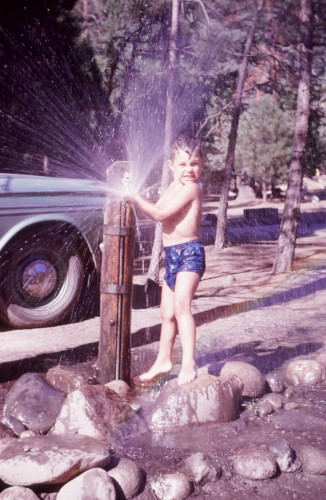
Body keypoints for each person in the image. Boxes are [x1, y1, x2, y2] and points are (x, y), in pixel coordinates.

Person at [125, 135, 205, 385]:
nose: (189, 170)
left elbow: (159, 214)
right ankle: (163, 359)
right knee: (166, 313)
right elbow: (156, 207)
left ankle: (189, 363)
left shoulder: (192, 189)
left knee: (182, 308)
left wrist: (133, 196)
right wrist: (134, 194)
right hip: (171, 256)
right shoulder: (172, 188)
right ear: (171, 166)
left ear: (202, 165)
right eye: (182, 165)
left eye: (194, 163)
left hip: (190, 254)